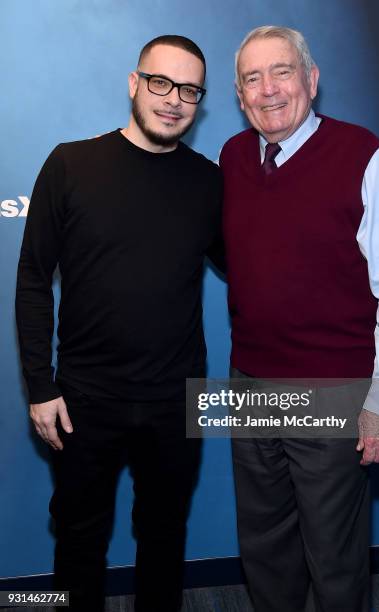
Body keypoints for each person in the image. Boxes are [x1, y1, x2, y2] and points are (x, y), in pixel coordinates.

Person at [219, 25, 379, 612]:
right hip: (250, 384)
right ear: (239, 96)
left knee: (334, 560)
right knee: (264, 548)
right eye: (251, 78)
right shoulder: (234, 156)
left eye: (281, 72)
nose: (268, 90)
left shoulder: (359, 155)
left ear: (311, 81)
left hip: (333, 392)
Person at [16, 35, 223, 612]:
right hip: (84, 399)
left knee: (165, 541)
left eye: (188, 89)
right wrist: (40, 386)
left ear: (199, 101)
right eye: (161, 83)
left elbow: (253, 269)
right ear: (135, 84)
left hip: (176, 399)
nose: (173, 99)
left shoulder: (209, 183)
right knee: (78, 544)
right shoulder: (69, 164)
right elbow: (33, 279)